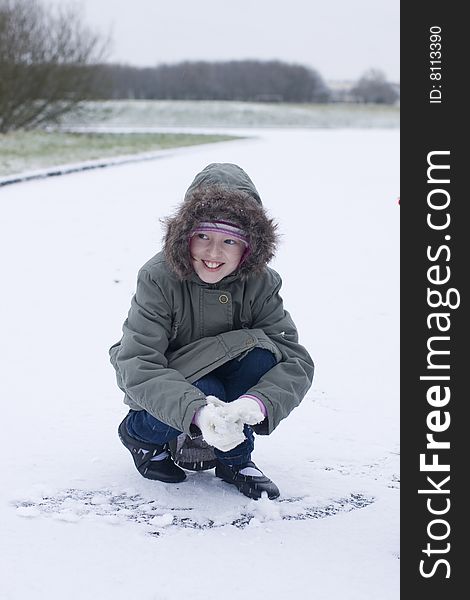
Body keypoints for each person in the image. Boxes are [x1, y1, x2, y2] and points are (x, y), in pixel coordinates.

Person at [109, 163, 314, 500]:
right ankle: (140, 435)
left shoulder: (262, 282)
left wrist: (255, 404)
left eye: (230, 241)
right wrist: (200, 412)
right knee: (205, 386)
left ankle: (234, 458)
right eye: (202, 235)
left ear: (249, 247)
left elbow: (295, 360)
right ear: (184, 236)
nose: (213, 253)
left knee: (265, 355)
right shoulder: (158, 277)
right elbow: (138, 362)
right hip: (173, 383)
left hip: (228, 380)